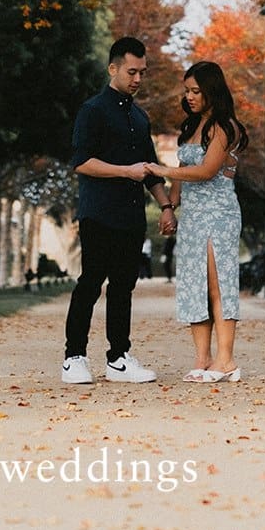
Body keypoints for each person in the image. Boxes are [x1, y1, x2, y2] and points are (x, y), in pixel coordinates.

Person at [61, 36, 176, 384]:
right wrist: (125, 171)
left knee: (123, 287)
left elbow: (150, 169)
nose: (138, 79)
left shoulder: (140, 118)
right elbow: (82, 162)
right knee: (91, 283)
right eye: (131, 72)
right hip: (98, 213)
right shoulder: (93, 110)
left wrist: (166, 207)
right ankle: (73, 358)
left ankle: (118, 359)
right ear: (113, 68)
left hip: (131, 216)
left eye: (142, 72)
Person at [147, 60, 247, 383]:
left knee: (218, 285)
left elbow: (205, 171)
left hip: (219, 215)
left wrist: (161, 169)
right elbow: (182, 176)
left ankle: (226, 359)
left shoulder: (224, 127)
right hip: (192, 217)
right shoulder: (191, 128)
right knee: (194, 286)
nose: (189, 97)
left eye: (195, 91)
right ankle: (202, 358)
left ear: (211, 91)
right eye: (187, 91)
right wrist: (169, 208)